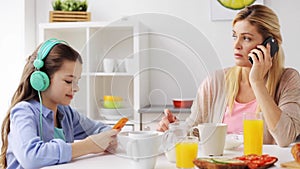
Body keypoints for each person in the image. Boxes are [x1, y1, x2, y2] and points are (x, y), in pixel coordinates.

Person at [157, 4, 300, 147]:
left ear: (270, 45)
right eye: (234, 36)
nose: (236, 45)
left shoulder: (288, 80)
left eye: (246, 38)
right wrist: (174, 129)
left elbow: (285, 138)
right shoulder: (215, 82)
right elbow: (194, 131)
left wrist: (257, 82)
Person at [0, 38, 120, 169]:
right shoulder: (24, 111)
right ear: (42, 79)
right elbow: (31, 157)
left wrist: (109, 137)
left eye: (77, 81)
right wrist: (88, 146)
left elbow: (98, 129)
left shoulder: (66, 113)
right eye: (69, 81)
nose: (76, 88)